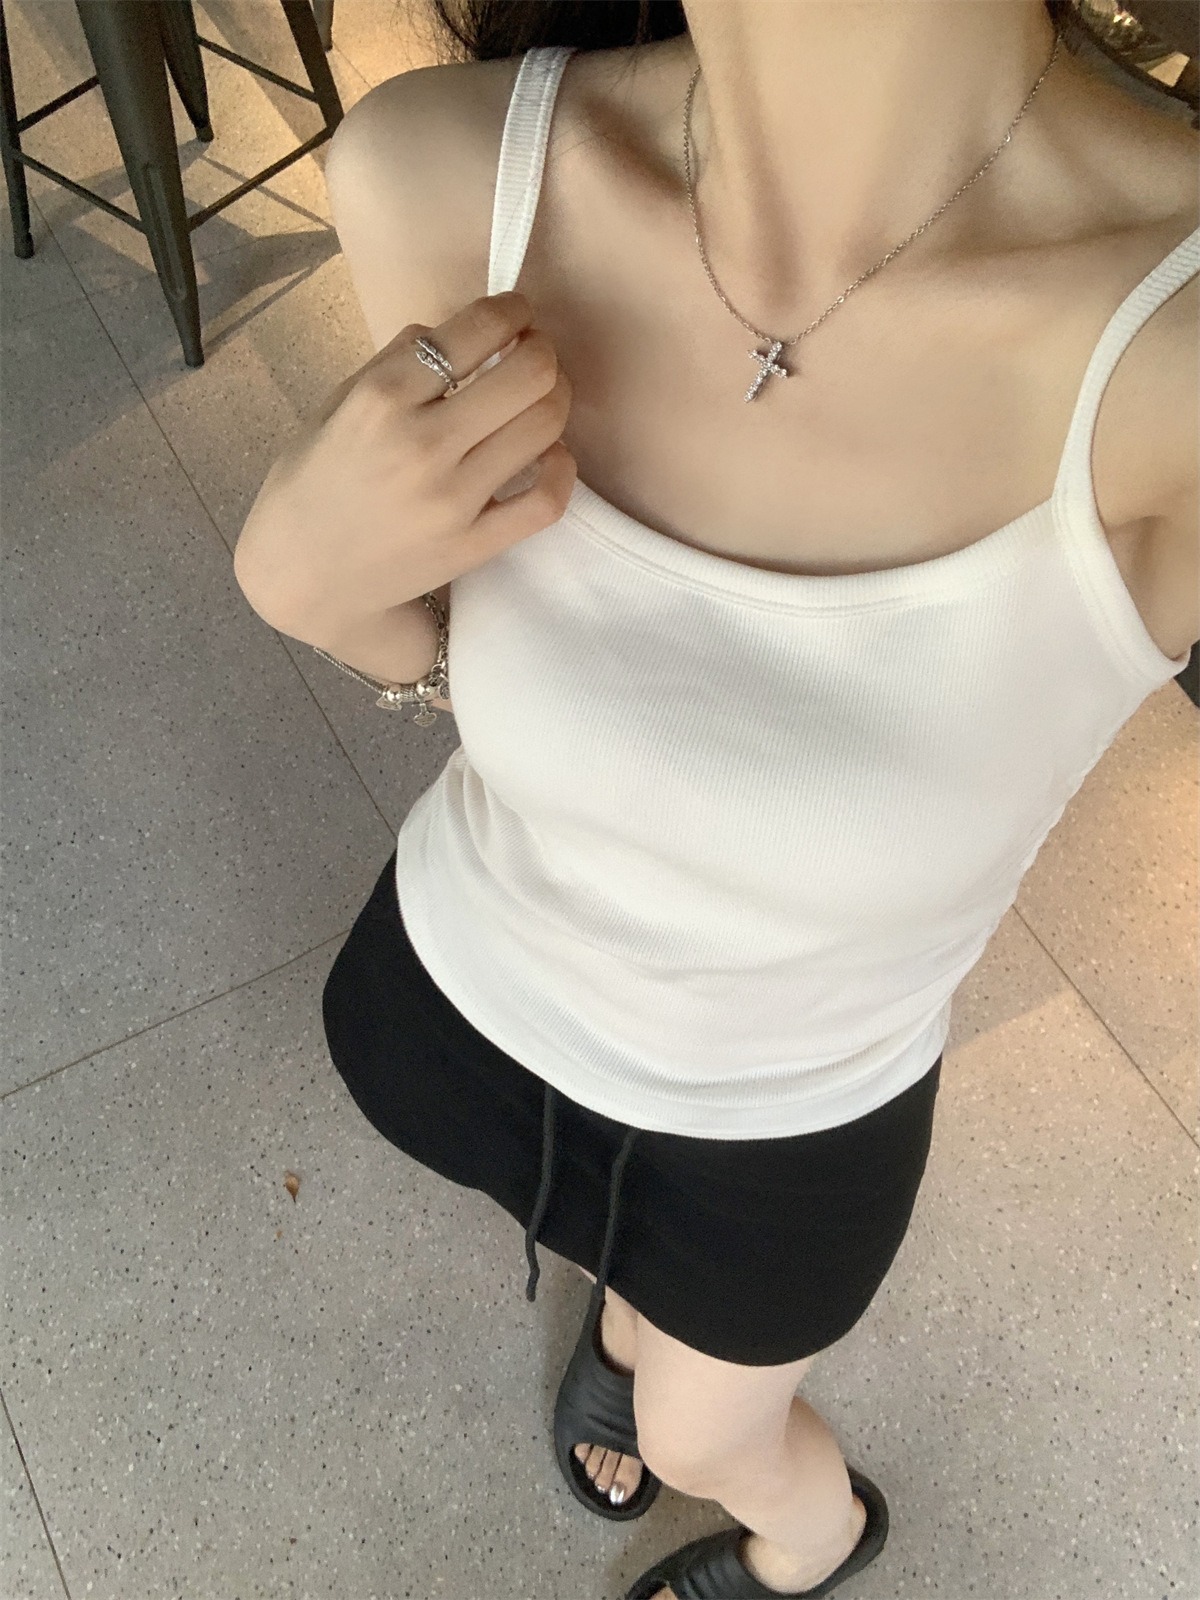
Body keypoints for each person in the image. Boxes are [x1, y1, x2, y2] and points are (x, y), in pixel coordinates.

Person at [236, 2, 1199, 1595]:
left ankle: (815, 1541)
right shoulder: (442, 172)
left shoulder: (1168, 347)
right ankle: (627, 1312)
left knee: (705, 1434)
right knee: (626, 1296)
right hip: (475, 999)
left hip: (791, 1114)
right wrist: (318, 596)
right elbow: (509, 671)